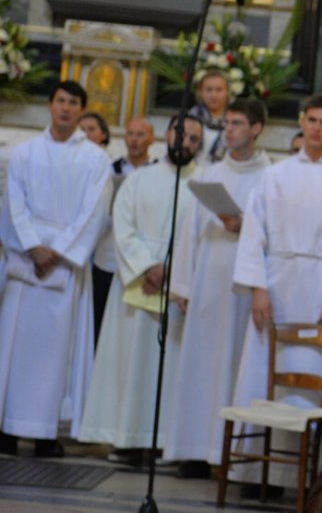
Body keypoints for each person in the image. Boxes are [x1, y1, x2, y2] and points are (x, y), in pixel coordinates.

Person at [229, 94, 322, 488]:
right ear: (302, 121)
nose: (317, 128)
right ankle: (255, 471)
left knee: (321, 381)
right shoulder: (276, 174)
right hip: (276, 288)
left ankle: (321, 477)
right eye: (311, 120)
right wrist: (258, 287)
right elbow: (254, 232)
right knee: (263, 373)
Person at [77, 115, 204, 464]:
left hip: (178, 288)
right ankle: (127, 438)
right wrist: (148, 267)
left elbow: (203, 240)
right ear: (168, 136)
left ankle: (165, 441)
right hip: (139, 285)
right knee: (131, 364)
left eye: (194, 139)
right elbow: (124, 226)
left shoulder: (204, 184)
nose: (187, 144)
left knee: (170, 368)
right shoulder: (140, 180)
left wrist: (173, 273)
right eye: (182, 136)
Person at [0, 81, 112, 458]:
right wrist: (32, 245)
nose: (65, 108)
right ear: (50, 105)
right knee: (14, 349)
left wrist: (57, 251)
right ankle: (8, 429)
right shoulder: (23, 153)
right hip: (26, 262)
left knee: (57, 353)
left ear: (82, 110)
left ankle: (47, 432)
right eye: (60, 101)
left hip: (63, 266)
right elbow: (14, 203)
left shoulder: (95, 160)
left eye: (73, 103)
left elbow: (94, 213)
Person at [164, 99, 271, 478]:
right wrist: (183, 285)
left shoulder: (271, 176)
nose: (229, 130)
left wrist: (247, 225)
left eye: (238, 123)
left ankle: (233, 459)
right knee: (202, 365)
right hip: (209, 281)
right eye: (227, 123)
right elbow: (190, 233)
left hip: (245, 286)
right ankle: (195, 450)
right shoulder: (210, 174)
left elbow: (275, 234)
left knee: (237, 369)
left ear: (257, 129)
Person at [94, 117, 158, 344]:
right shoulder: (109, 169)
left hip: (139, 257)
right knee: (100, 320)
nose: (134, 139)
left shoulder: (159, 172)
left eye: (140, 134)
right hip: (108, 253)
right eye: (130, 134)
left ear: (152, 138)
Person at [190, 69, 230, 164]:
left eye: (219, 90)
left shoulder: (234, 120)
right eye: (208, 90)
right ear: (200, 92)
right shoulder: (191, 117)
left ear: (227, 92)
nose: (213, 95)